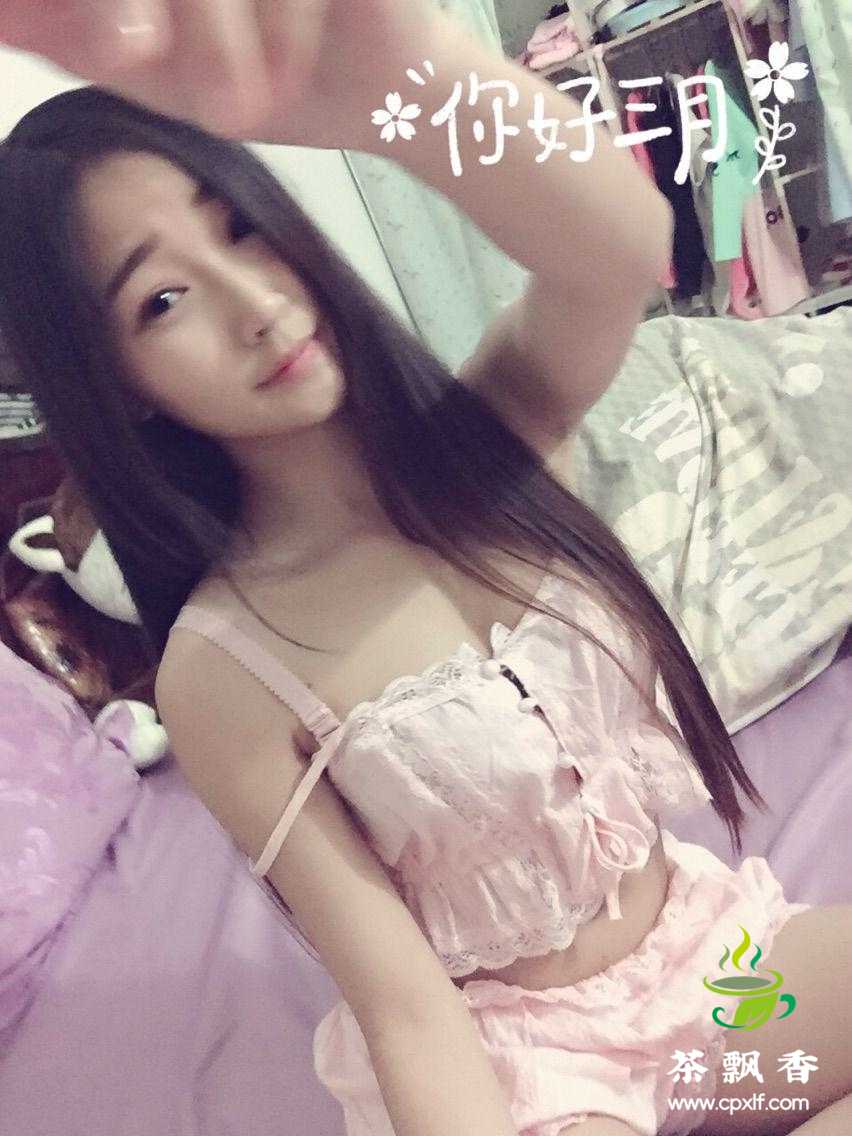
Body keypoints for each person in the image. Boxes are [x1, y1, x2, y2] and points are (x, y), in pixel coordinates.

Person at [1, 4, 850, 1135]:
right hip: (540, 1072)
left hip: (713, 981)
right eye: (161, 301)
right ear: (118, 383)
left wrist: (406, 81)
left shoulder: (488, 442)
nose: (256, 307)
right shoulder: (224, 668)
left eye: (240, 230)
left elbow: (615, 244)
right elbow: (406, 1010)